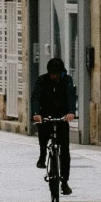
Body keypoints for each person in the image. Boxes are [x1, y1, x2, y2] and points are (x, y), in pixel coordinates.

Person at [32, 53, 77, 193]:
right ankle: (42, 155)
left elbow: (70, 96)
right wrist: (36, 114)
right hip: (45, 115)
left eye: (57, 74)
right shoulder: (42, 81)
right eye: (52, 74)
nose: (54, 76)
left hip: (62, 116)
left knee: (65, 151)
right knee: (43, 134)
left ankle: (64, 181)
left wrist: (70, 112)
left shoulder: (67, 81)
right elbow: (36, 97)